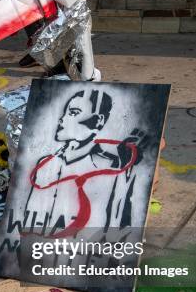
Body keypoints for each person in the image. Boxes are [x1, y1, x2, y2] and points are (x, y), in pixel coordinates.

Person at [24, 88, 148, 238]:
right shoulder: (45, 164)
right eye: (65, 112)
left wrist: (126, 170)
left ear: (98, 120)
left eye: (73, 112)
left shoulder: (109, 166)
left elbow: (118, 220)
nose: (61, 119)